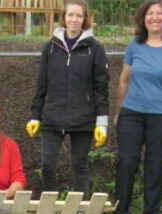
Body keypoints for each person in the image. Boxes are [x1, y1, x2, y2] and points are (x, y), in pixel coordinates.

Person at [26, 0, 109, 197]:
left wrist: (102, 122)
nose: (74, 19)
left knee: (80, 166)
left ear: (85, 19)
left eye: (79, 16)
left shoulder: (95, 49)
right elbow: (42, 84)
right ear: (64, 17)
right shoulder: (51, 47)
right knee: (47, 165)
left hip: (83, 117)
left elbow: (101, 88)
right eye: (70, 15)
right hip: (53, 116)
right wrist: (35, 115)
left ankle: (79, 211)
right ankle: (51, 208)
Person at [113, 0, 162, 214]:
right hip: (132, 113)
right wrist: (118, 112)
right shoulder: (134, 45)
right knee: (126, 163)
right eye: (150, 14)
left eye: (159, 14)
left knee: (155, 167)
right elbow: (124, 80)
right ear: (143, 18)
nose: (154, 17)